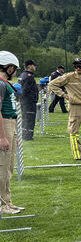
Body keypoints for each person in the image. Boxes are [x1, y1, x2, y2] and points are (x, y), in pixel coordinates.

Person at [0, 51, 24, 214]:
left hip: (11, 123)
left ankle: (7, 201)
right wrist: (2, 137)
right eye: (14, 68)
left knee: (9, 167)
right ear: (9, 68)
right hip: (5, 123)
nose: (15, 72)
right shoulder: (1, 84)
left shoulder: (5, 83)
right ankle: (2, 204)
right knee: (2, 167)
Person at [18, 59, 38, 141]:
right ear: (29, 66)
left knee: (25, 118)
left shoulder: (22, 75)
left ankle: (25, 134)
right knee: (29, 119)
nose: (35, 67)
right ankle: (28, 136)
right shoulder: (29, 76)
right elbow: (26, 90)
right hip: (29, 102)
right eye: (34, 65)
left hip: (24, 101)